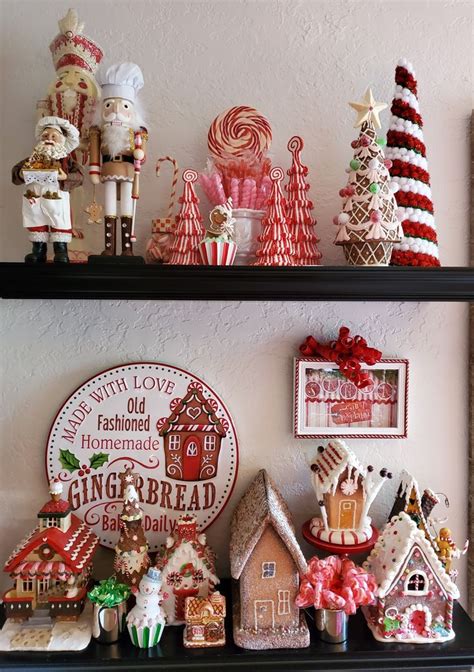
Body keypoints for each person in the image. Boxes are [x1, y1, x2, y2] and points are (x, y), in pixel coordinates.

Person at [89, 62, 148, 256]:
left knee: (126, 207)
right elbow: (95, 151)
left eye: (123, 106)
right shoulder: (98, 131)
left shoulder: (137, 133)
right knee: (110, 206)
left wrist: (140, 154)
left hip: (128, 171)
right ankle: (109, 248)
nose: (116, 110)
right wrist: (95, 170)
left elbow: (142, 154)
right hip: (107, 170)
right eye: (109, 105)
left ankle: (126, 248)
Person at [12, 116, 81, 263]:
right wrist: (21, 173)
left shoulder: (66, 161)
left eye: (53, 136)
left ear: (61, 140)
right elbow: (16, 172)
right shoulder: (32, 159)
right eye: (45, 136)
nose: (49, 139)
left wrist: (65, 177)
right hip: (34, 197)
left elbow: (80, 177)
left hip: (57, 199)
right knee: (36, 219)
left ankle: (61, 250)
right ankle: (38, 250)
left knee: (59, 221)